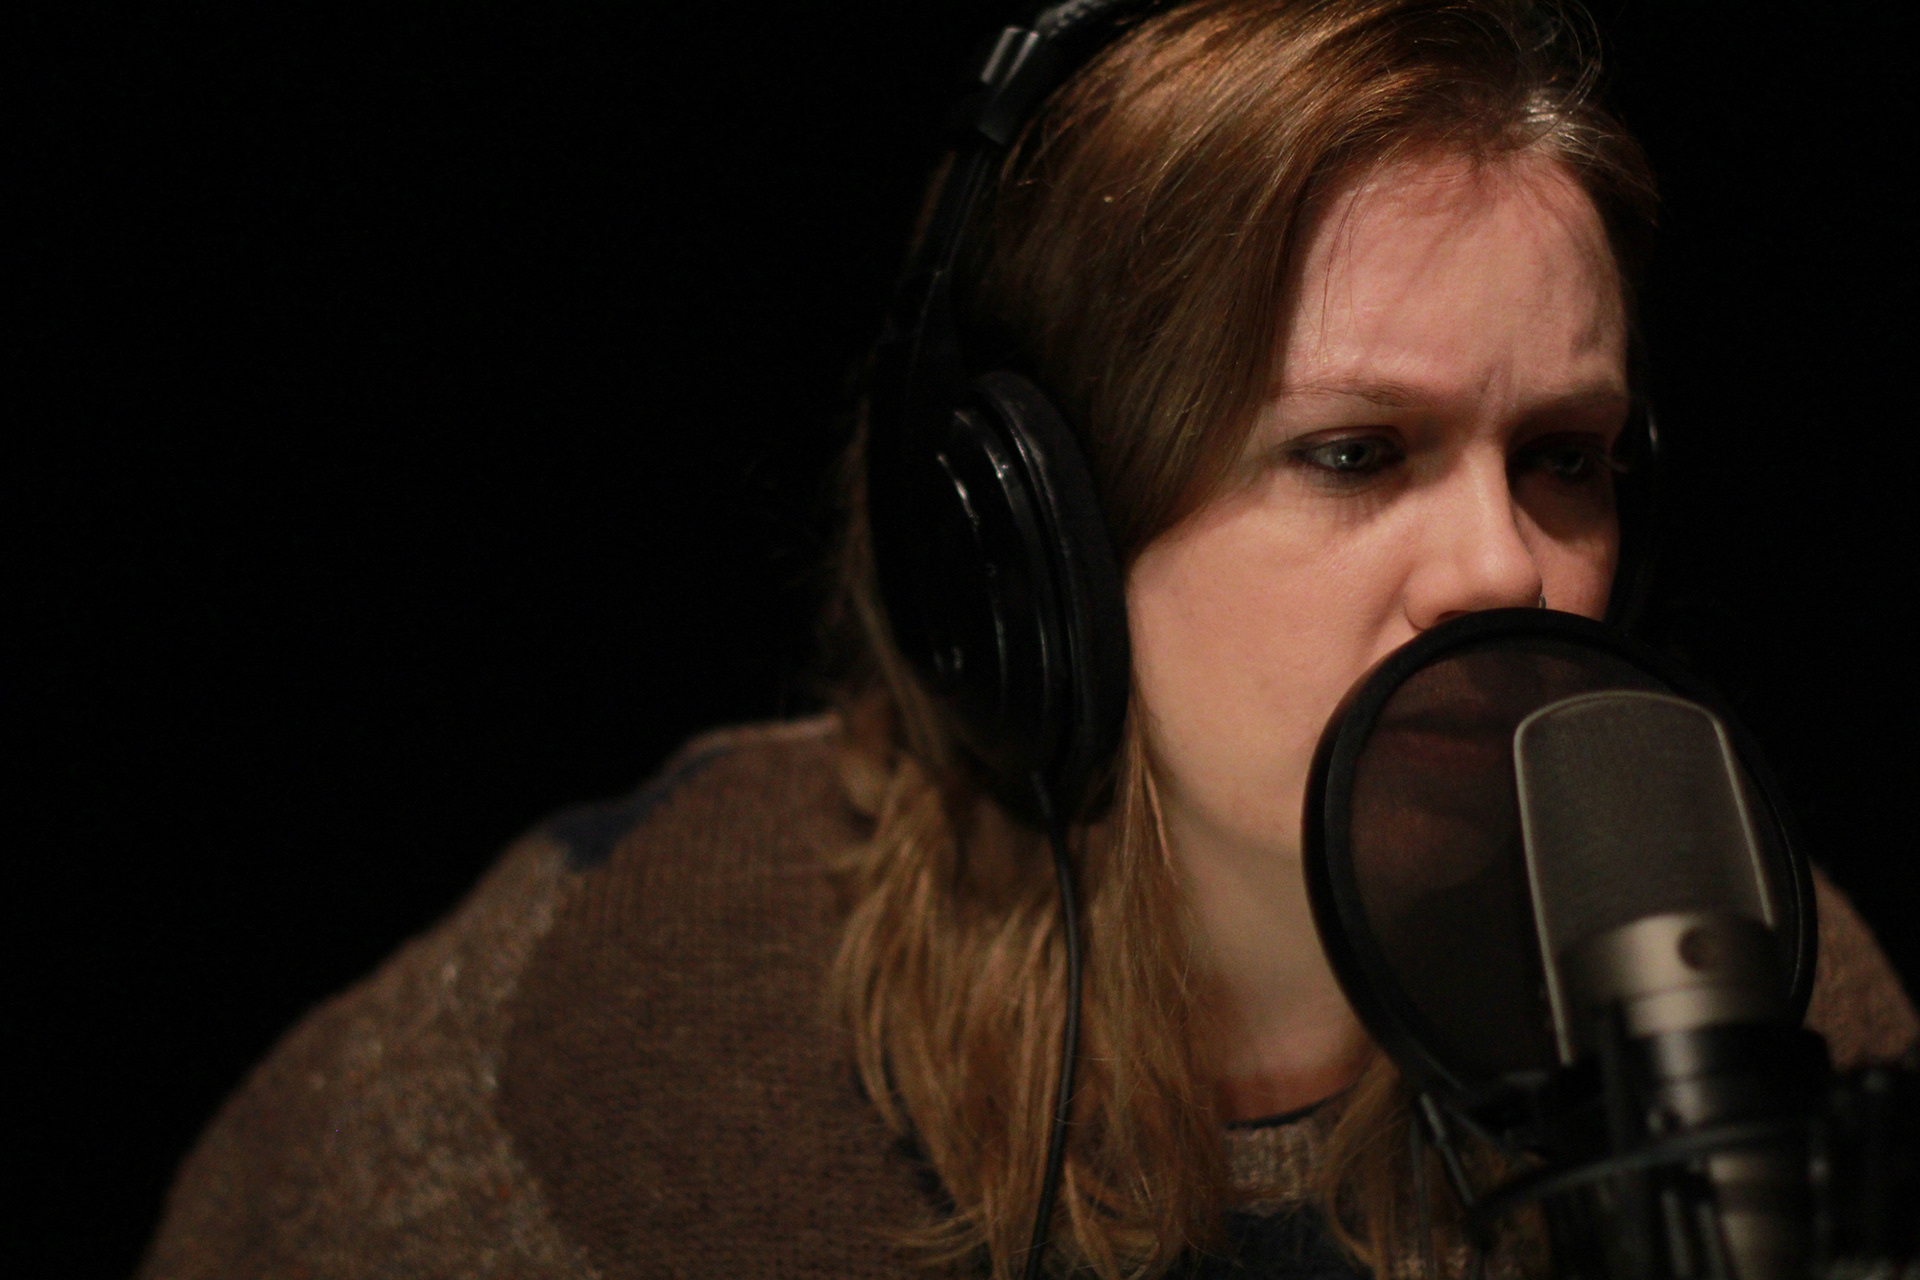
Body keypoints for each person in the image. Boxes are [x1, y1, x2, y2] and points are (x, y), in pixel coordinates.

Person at [137, 1, 1917, 1277]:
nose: (1504, 567)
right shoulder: (628, 1015)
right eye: (1355, 454)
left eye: (1564, 460)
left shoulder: (1746, 978)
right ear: (1036, 544)